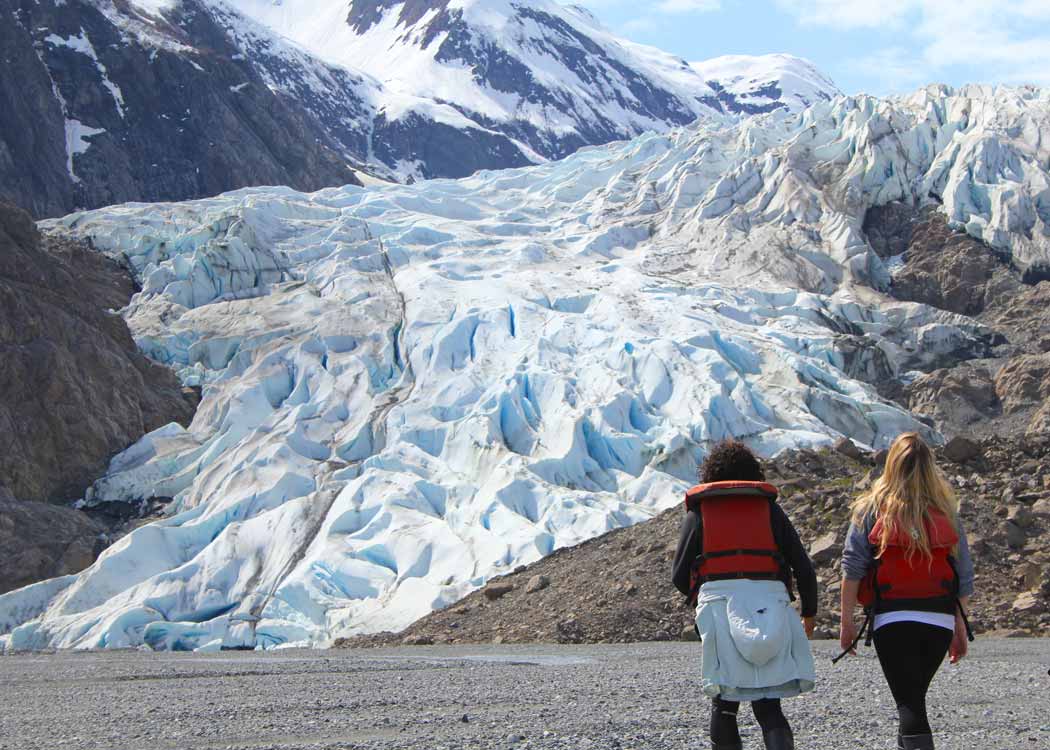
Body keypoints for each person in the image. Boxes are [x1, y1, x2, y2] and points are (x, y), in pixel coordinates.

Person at [673, 439, 818, 750]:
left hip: (718, 607)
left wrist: (701, 598)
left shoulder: (700, 513)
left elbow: (679, 574)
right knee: (769, 704)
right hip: (770, 605)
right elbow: (802, 567)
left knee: (724, 703)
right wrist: (809, 613)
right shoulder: (769, 510)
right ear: (754, 473)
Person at [839, 432, 975, 750]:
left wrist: (847, 623)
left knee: (910, 705)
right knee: (911, 698)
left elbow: (853, 568)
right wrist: (959, 626)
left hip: (892, 621)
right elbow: (964, 577)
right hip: (938, 622)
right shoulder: (946, 511)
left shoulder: (870, 509)